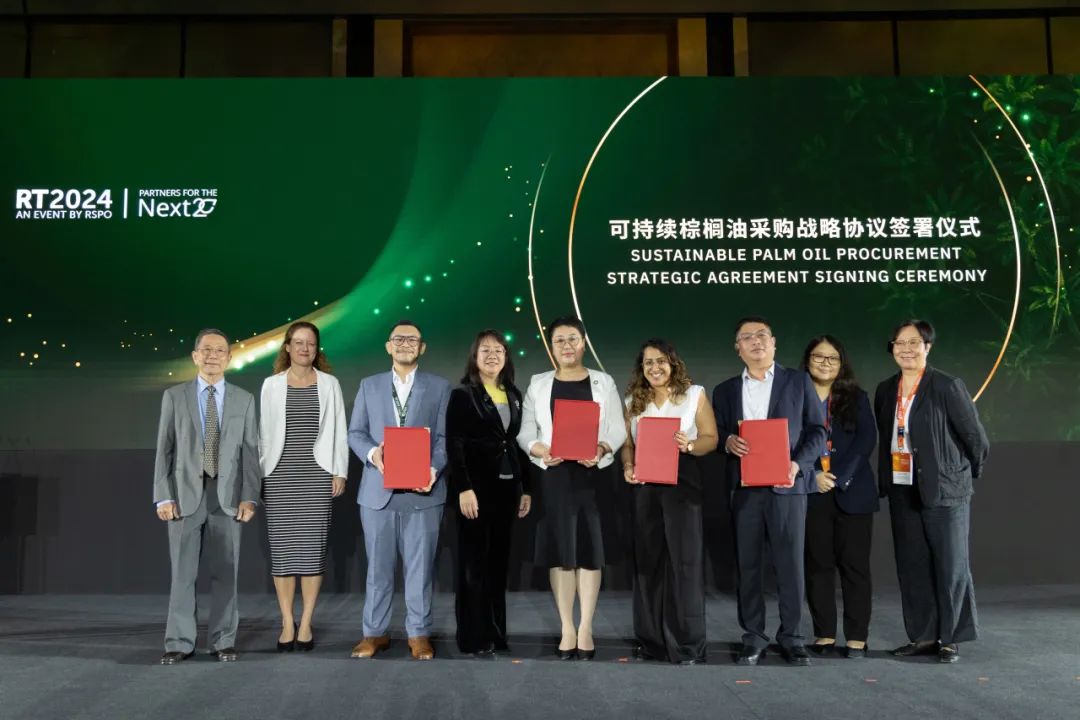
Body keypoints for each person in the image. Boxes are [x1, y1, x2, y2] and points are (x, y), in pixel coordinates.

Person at [713, 316, 826, 666]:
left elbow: (818, 431)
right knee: (748, 566)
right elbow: (716, 433)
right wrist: (727, 441)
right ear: (738, 348)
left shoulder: (798, 381)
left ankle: (792, 637)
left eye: (762, 335)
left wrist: (797, 465)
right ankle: (753, 636)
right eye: (747, 337)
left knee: (790, 565)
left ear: (774, 343)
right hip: (745, 490)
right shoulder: (725, 390)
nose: (756, 341)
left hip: (787, 487)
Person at [874, 319, 988, 664]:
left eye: (914, 343)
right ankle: (923, 636)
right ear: (892, 348)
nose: (906, 349)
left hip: (945, 490)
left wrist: (958, 477)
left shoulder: (947, 386)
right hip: (901, 486)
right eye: (900, 343)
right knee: (913, 565)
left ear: (928, 347)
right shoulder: (885, 389)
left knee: (951, 565)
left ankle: (950, 639)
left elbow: (975, 439)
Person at [517, 315, 626, 660]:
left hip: (594, 477)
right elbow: (526, 431)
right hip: (554, 477)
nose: (567, 346)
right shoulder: (538, 383)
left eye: (572, 339)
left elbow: (618, 428)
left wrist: (602, 447)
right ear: (551, 347)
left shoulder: (603, 381)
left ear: (583, 342)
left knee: (590, 552)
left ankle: (586, 627)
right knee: (561, 553)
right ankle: (567, 627)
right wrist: (539, 450)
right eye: (559, 340)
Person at [152, 328, 261, 665]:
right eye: (206, 350)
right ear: (195, 356)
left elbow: (250, 452)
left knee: (227, 573)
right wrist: (163, 497)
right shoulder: (174, 396)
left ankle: (223, 641)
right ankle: (179, 642)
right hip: (184, 496)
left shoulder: (244, 399)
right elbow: (164, 449)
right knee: (182, 575)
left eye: (219, 350)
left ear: (229, 358)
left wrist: (250, 497)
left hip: (228, 497)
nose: (213, 356)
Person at [347, 320, 451, 661]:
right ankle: (374, 633)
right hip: (378, 492)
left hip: (424, 493)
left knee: (420, 570)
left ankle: (418, 634)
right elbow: (355, 433)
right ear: (388, 346)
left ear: (422, 348)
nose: (405, 344)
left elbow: (444, 439)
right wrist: (373, 454)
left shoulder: (440, 387)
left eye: (412, 339)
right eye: (399, 339)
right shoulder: (369, 385)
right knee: (378, 568)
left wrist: (432, 470)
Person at [621, 339, 718, 665]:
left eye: (661, 361)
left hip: (683, 485)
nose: (655, 368)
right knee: (648, 564)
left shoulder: (694, 394)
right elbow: (628, 445)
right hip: (646, 487)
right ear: (641, 368)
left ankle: (688, 644)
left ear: (673, 363)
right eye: (648, 362)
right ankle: (651, 642)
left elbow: (710, 439)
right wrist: (628, 466)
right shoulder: (633, 400)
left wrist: (688, 445)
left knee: (685, 565)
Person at [259, 321, 348, 652]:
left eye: (310, 343)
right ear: (287, 347)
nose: (304, 348)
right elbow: (263, 434)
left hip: (316, 474)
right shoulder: (271, 385)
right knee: (283, 553)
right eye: (298, 342)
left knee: (312, 552)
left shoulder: (329, 384)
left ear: (316, 348)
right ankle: (286, 622)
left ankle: (306, 621)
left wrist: (339, 472)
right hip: (280, 475)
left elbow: (340, 430)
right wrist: (261, 475)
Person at [447, 330, 532, 656]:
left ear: (506, 357)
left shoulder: (514, 394)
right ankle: (473, 637)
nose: (493, 355)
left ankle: (497, 633)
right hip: (475, 491)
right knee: (473, 565)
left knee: (498, 565)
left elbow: (518, 444)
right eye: (486, 350)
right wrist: (464, 488)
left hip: (507, 490)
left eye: (499, 350)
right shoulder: (463, 395)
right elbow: (454, 445)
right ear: (475, 357)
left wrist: (526, 488)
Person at [799, 335, 877, 659]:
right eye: (819, 356)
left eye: (832, 358)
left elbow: (866, 439)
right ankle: (824, 635)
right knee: (818, 566)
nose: (825, 363)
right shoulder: (794, 397)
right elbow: (789, 442)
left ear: (841, 363)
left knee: (855, 567)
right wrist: (812, 476)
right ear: (807, 361)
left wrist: (840, 476)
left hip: (852, 492)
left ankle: (857, 638)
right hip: (812, 491)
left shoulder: (856, 397)